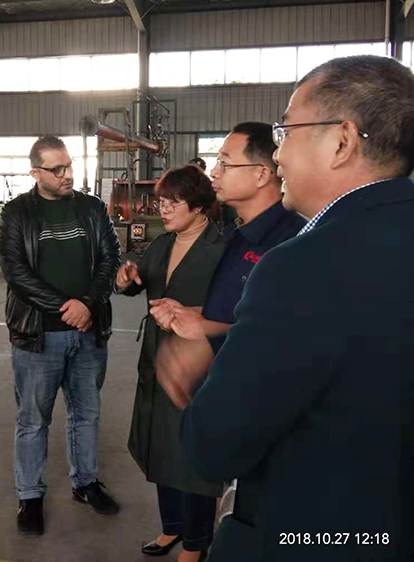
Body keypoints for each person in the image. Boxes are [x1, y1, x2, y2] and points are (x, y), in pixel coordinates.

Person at [158, 55, 414, 561]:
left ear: (341, 141)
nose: (278, 155)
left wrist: (201, 380)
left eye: (287, 131)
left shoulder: (302, 266)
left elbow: (216, 445)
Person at [0, 134, 121, 536]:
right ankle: (30, 495)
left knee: (86, 413)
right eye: (57, 169)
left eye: (69, 166)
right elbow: (16, 272)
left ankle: (85, 482)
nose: (68, 174)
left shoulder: (92, 208)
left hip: (89, 333)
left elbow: (110, 258)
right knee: (33, 420)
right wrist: (67, 307)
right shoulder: (17, 213)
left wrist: (88, 303)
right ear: (36, 173)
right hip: (38, 336)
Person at [116, 165, 224, 562]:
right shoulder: (162, 244)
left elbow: (233, 310)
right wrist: (126, 280)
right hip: (156, 357)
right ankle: (172, 526)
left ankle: (196, 542)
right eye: (161, 202)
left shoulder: (222, 250)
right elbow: (140, 283)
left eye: (173, 203)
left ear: (198, 206)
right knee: (160, 446)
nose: (163, 210)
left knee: (190, 455)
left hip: (195, 363)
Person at [150, 122, 305, 350]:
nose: (214, 172)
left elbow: (288, 336)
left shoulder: (295, 243)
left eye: (224, 163)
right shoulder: (235, 234)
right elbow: (240, 310)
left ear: (261, 174)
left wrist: (208, 329)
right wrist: (195, 314)